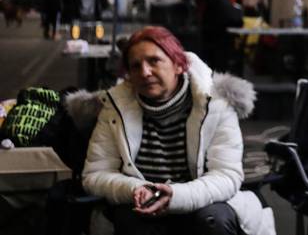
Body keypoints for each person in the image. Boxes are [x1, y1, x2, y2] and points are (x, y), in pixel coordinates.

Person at [81, 26, 274, 235]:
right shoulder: (114, 108)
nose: (145, 72)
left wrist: (175, 196)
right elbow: (95, 174)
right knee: (129, 218)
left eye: (154, 61)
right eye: (135, 66)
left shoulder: (215, 105)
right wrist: (135, 189)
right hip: (142, 205)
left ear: (178, 65)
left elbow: (227, 176)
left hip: (202, 203)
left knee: (213, 219)